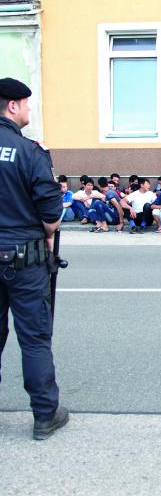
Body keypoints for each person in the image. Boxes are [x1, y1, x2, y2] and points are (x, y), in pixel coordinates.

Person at [0, 77, 69, 440]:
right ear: (13, 106)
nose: (29, 110)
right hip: (23, 258)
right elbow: (52, 216)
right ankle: (45, 415)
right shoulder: (29, 151)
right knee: (35, 338)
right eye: (27, 104)